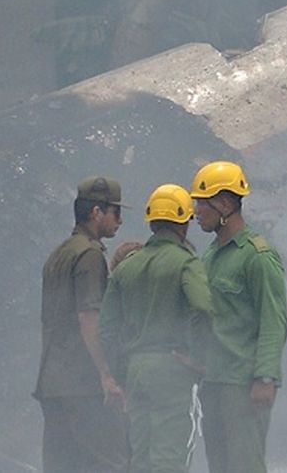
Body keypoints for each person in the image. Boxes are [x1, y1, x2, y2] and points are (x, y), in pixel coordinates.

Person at [99, 183, 211, 473]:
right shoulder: (187, 263)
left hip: (135, 370)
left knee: (140, 459)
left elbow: (106, 330)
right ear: (184, 225)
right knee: (170, 460)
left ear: (151, 221)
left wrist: (120, 374)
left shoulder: (126, 267)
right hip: (173, 369)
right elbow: (202, 308)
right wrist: (199, 358)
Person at [190, 161, 287, 473]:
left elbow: (274, 320)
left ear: (225, 203)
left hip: (243, 383)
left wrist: (266, 377)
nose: (195, 211)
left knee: (244, 465)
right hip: (214, 380)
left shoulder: (257, 256)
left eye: (201, 203)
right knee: (219, 465)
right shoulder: (211, 254)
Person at [34, 176, 131, 473]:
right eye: (115, 211)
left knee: (63, 465)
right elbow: (89, 317)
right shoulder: (89, 255)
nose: (120, 220)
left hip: (52, 383)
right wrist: (106, 375)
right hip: (83, 384)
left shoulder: (59, 254)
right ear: (96, 213)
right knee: (112, 463)